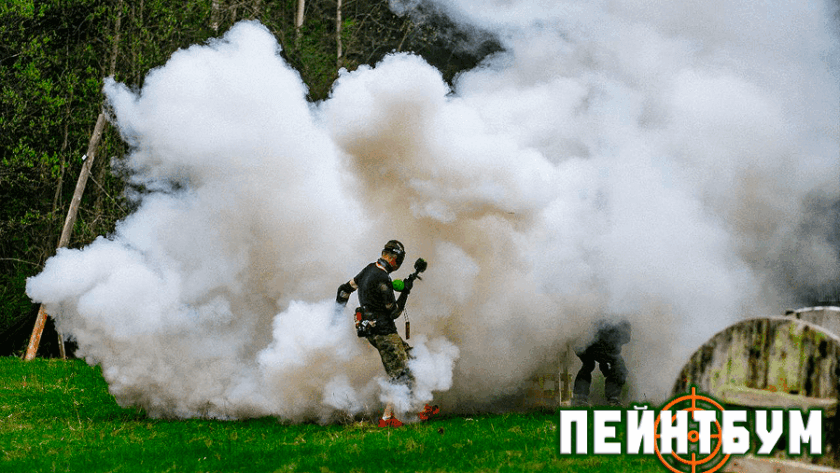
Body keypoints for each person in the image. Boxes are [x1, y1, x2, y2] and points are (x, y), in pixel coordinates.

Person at [336, 240, 438, 427]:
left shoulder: (368, 270)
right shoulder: (382, 278)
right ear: (394, 259)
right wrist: (405, 291)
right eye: (398, 261)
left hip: (372, 330)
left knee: (412, 359)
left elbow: (344, 290)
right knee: (400, 374)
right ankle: (387, 418)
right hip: (384, 332)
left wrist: (336, 317)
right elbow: (395, 312)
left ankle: (422, 406)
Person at [572, 319, 631, 407]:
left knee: (620, 368)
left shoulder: (619, 329)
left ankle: (613, 398)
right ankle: (580, 397)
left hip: (598, 345)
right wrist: (604, 364)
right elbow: (600, 349)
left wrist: (604, 365)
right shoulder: (606, 325)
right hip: (585, 343)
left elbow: (610, 351)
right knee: (588, 365)